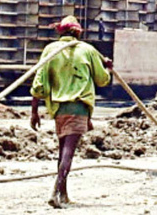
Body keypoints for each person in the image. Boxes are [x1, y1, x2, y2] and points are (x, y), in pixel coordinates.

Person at [30, 15, 113, 208]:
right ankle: (56, 193)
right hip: (78, 107)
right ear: (77, 32)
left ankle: (63, 193)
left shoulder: (50, 50)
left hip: (58, 108)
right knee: (68, 152)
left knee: (63, 151)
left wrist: (34, 112)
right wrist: (108, 69)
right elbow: (102, 80)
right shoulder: (87, 50)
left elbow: (38, 84)